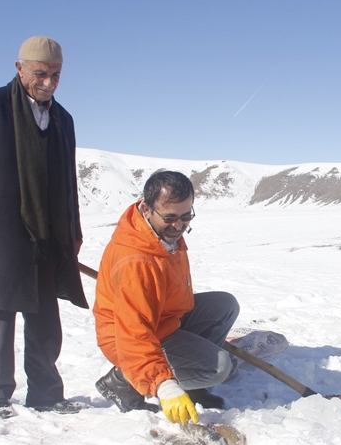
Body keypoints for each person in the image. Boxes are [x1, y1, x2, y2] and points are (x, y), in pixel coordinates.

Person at [0, 36, 88, 418]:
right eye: (41, 73)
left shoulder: (63, 119)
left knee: (45, 318)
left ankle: (46, 394)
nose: (48, 82)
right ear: (19, 68)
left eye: (56, 75)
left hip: (47, 237)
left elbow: (67, 183)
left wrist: (72, 232)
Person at [93, 171, 239, 425]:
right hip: (127, 338)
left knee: (223, 306)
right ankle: (123, 380)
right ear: (148, 209)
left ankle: (192, 384)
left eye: (186, 216)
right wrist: (164, 385)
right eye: (170, 217)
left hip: (164, 319)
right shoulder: (135, 263)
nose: (179, 225)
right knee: (217, 368)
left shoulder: (160, 233)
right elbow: (133, 331)